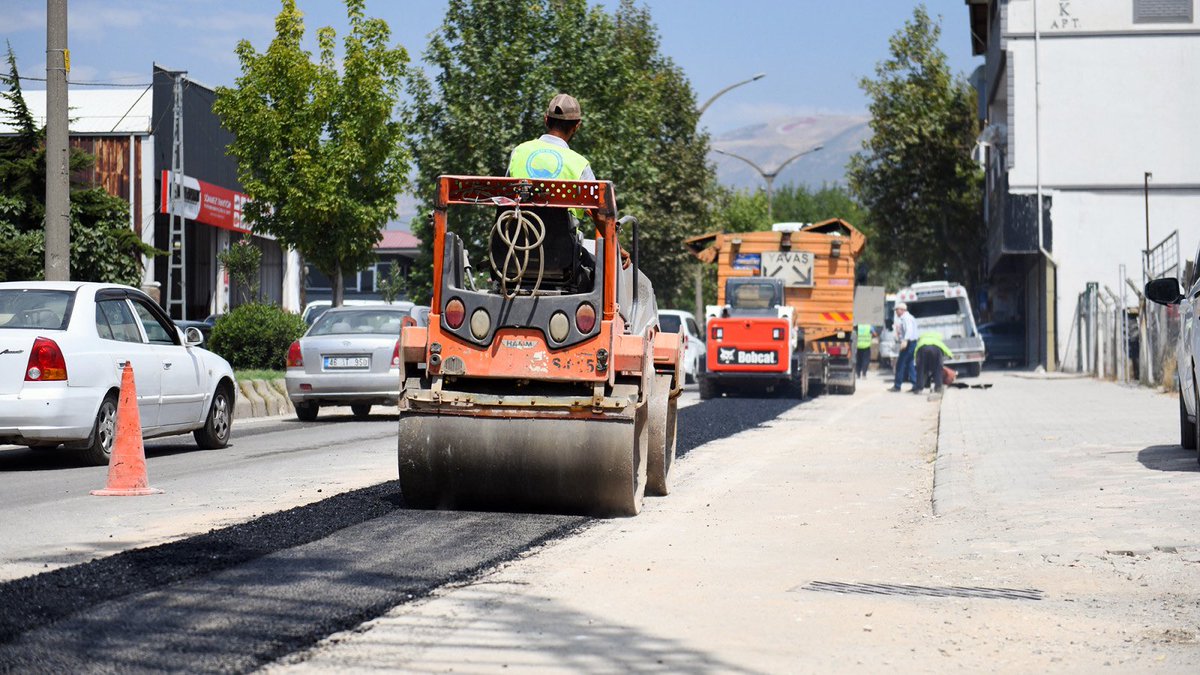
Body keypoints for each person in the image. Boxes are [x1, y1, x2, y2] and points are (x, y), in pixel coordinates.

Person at [912, 330, 954, 395]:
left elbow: (916, 350)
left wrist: (915, 359)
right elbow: (943, 347)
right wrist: (950, 355)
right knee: (938, 370)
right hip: (936, 351)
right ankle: (938, 388)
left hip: (923, 350)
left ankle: (918, 389)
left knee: (921, 370)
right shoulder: (937, 341)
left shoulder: (922, 341)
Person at [889, 301, 918, 392]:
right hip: (911, 342)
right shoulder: (908, 317)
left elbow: (908, 330)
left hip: (909, 343)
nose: (896, 312)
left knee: (900, 364)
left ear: (902, 310)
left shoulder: (906, 318)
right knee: (910, 364)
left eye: (897, 310)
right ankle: (915, 384)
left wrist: (905, 340)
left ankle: (897, 386)